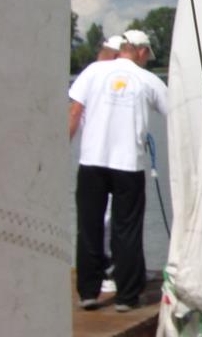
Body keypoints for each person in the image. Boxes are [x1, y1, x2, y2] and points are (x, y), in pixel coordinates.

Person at [69, 29, 168, 311]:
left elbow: (74, 112)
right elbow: (176, 113)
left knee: (89, 227)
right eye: (148, 55)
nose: (147, 60)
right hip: (128, 165)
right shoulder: (148, 80)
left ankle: (88, 292)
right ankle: (126, 296)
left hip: (91, 161)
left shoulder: (93, 71)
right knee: (127, 230)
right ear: (141, 51)